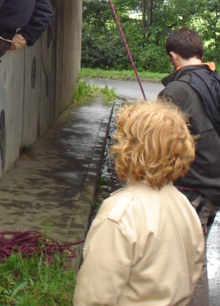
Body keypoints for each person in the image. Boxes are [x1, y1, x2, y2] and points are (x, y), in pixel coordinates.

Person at [73, 101, 205, 306]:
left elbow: (93, 297)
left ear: (129, 149)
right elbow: (192, 273)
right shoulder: (186, 207)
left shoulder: (119, 214)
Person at [158, 28, 220, 306]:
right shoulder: (216, 80)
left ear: (174, 56)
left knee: (190, 261)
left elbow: (161, 149)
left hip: (195, 188)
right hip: (213, 186)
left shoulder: (174, 92)